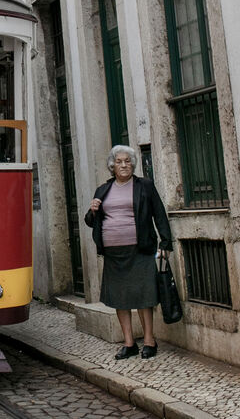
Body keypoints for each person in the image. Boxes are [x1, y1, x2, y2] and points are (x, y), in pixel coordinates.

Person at [84, 145, 174, 360]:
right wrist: (93, 210)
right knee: (120, 298)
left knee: (144, 296)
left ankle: (150, 340)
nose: (123, 165)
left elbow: (159, 215)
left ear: (132, 164)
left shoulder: (145, 186)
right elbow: (90, 222)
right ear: (112, 165)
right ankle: (129, 343)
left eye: (127, 161)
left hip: (141, 249)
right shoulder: (103, 190)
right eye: (119, 161)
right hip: (114, 253)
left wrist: (165, 244)